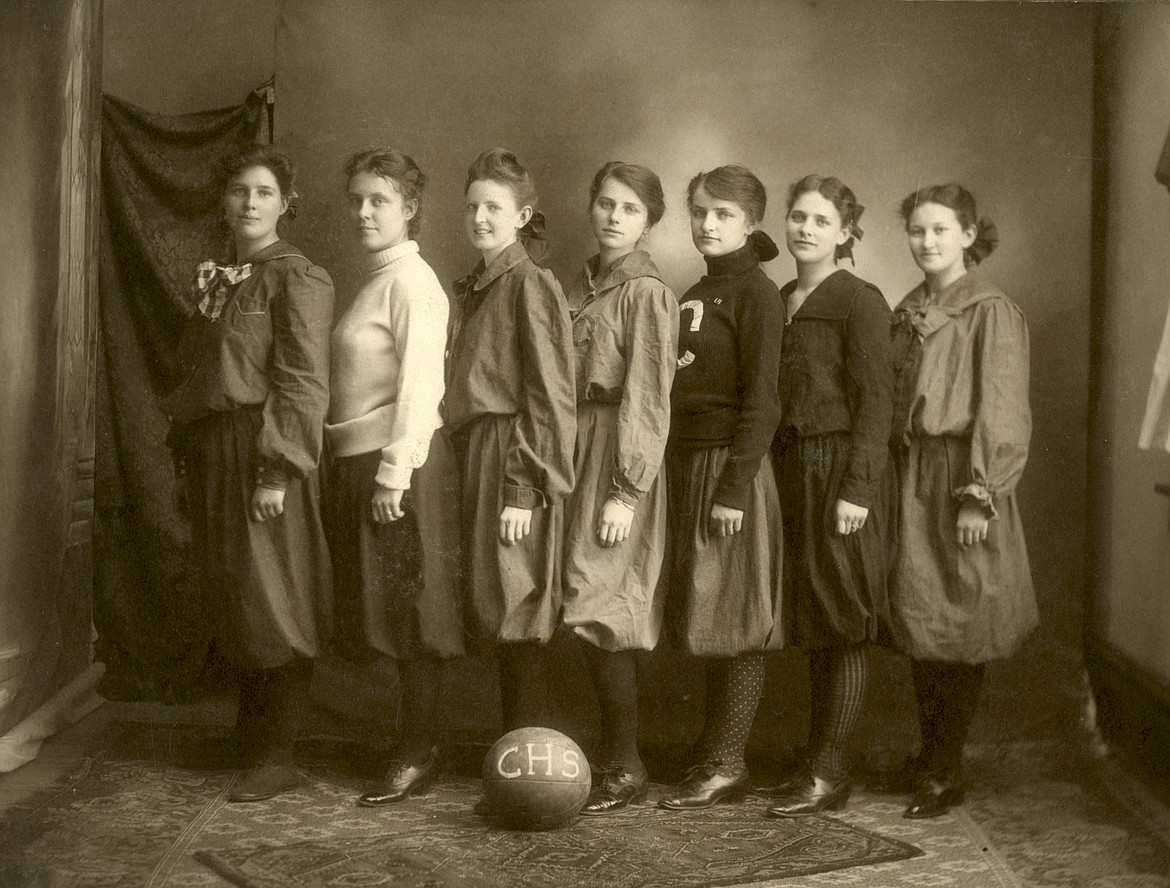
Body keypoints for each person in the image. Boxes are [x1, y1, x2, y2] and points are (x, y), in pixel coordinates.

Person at [163, 144, 333, 802]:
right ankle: (249, 736)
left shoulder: (298, 277)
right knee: (233, 590)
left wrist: (278, 469)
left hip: (261, 446)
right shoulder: (222, 279)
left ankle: (280, 752)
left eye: (263, 192)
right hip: (213, 447)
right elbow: (196, 371)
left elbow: (302, 382)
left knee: (274, 595)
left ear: (285, 203)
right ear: (225, 200)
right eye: (239, 191)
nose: (250, 203)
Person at [885, 184, 1036, 819]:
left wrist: (982, 492)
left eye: (941, 230)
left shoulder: (990, 309)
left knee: (960, 621)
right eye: (918, 231)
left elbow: (1002, 406)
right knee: (922, 616)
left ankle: (946, 766)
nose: (928, 242)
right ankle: (932, 752)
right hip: (910, 473)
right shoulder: (908, 307)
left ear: (969, 236)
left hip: (960, 479)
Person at [323, 148, 464, 806]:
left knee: (412, 613)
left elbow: (420, 388)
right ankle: (407, 739)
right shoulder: (376, 281)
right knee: (385, 610)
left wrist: (392, 476)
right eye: (356, 198)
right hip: (365, 464)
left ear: (410, 209)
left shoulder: (413, 283)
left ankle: (419, 751)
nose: (362, 211)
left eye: (378, 199)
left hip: (399, 469)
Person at [657, 165, 785, 811]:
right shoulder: (695, 291)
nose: (708, 224)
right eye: (700, 212)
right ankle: (714, 747)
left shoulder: (759, 294)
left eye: (724, 214)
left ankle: (729, 761)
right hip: (689, 466)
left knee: (733, 617)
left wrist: (734, 488)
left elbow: (763, 401)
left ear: (752, 222)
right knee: (705, 614)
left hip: (733, 470)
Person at [766, 174, 894, 817]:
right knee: (815, 614)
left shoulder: (860, 299)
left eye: (820, 221)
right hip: (792, 469)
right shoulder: (785, 296)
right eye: (797, 217)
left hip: (841, 469)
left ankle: (831, 769)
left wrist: (859, 489)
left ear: (845, 232)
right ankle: (816, 755)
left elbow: (877, 404)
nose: (804, 229)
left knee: (844, 619)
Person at [443, 148, 576, 741]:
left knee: (519, 603)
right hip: (475, 452)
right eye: (472, 206)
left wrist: (522, 487)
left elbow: (549, 398)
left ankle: (527, 760)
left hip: (512, 456)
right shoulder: (480, 284)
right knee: (493, 604)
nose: (479, 217)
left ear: (523, 216)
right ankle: (510, 756)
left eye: (493, 207)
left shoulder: (530, 284)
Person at [560, 162, 679, 815]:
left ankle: (627, 763)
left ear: (648, 221)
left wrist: (626, 490)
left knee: (605, 608)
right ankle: (616, 755)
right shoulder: (583, 285)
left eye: (629, 208)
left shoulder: (647, 293)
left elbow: (648, 399)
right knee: (583, 607)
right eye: (605, 203)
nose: (612, 216)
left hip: (618, 453)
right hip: (575, 449)